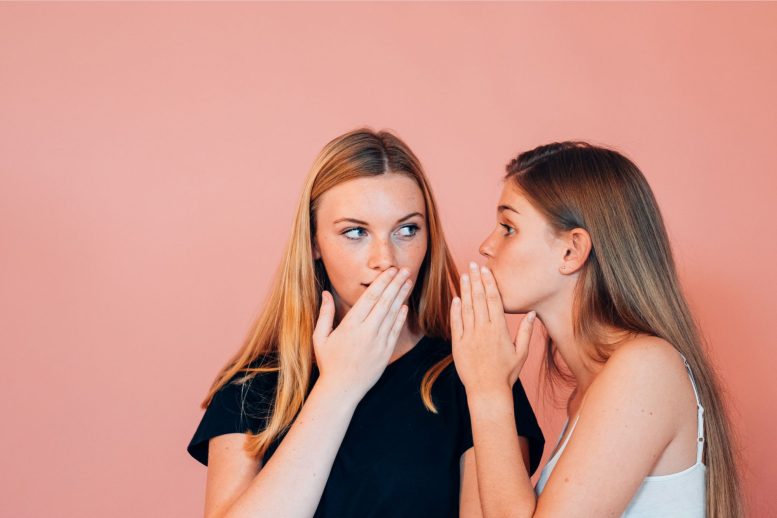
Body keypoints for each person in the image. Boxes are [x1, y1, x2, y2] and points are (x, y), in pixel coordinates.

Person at [187, 128, 544, 518]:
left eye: (407, 230)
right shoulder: (252, 386)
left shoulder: (473, 373)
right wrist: (339, 387)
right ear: (314, 243)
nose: (385, 259)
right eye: (355, 232)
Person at [450, 142, 742, 517]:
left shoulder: (645, 369)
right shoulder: (595, 391)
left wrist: (488, 391)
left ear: (572, 251)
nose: (486, 246)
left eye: (508, 227)